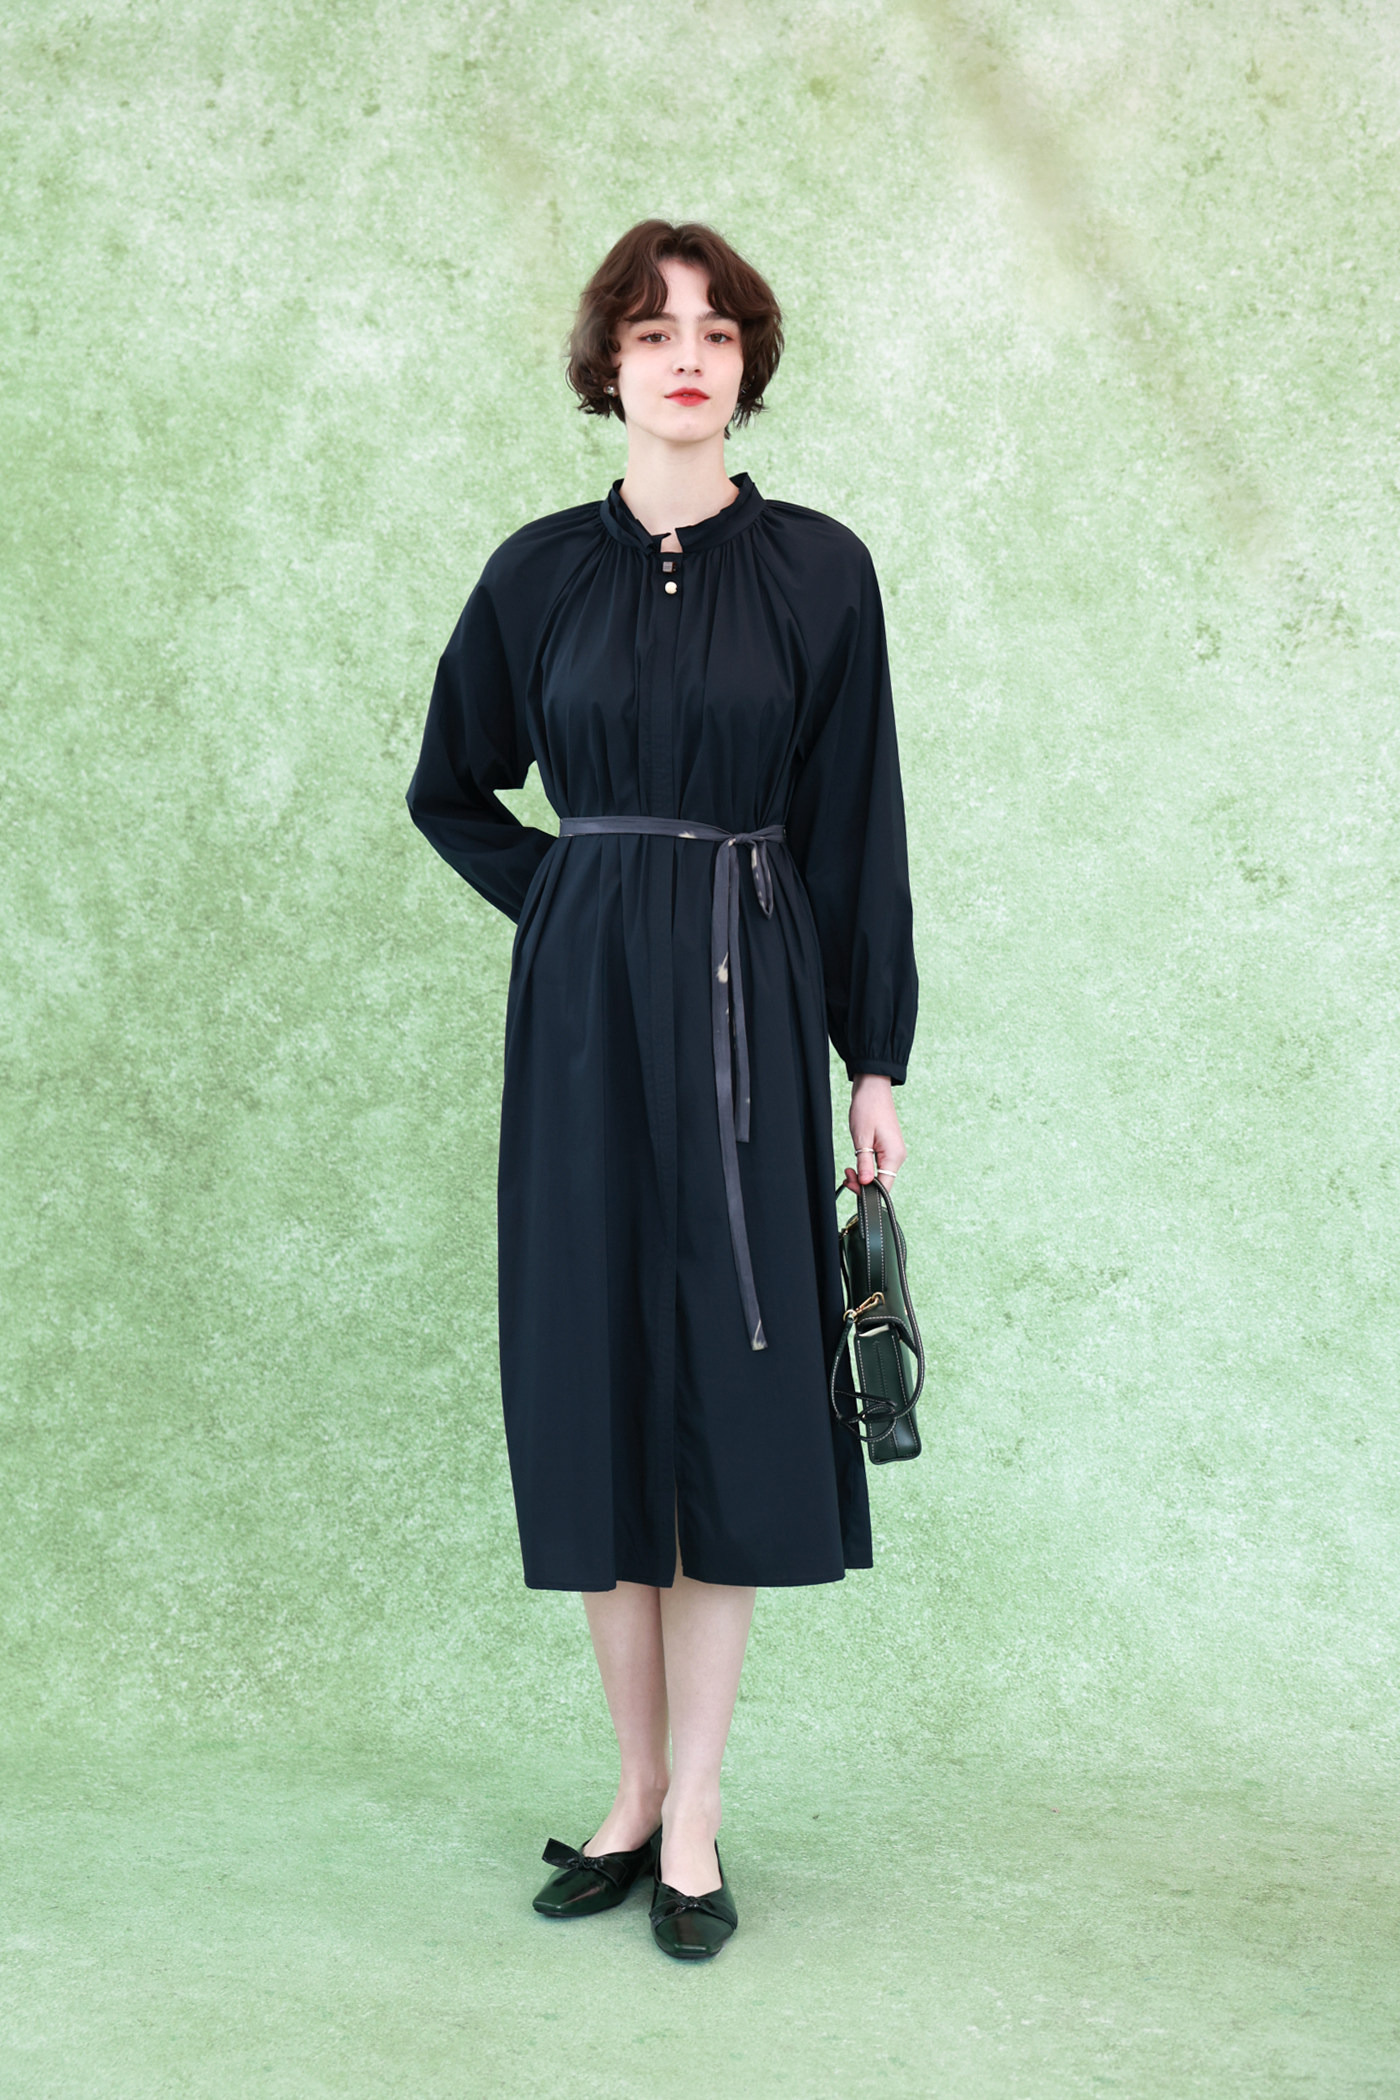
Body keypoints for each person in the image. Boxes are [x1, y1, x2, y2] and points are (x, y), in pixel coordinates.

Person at [405, 219, 918, 1961]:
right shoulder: (538, 572)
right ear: (607, 367)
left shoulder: (822, 571)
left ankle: (697, 1816)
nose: (684, 354)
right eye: (649, 330)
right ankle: (629, 1793)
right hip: (580, 1018)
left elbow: (857, 827)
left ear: (747, 363)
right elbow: (452, 786)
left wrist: (873, 1056)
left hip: (753, 1006)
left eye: (713, 329)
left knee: (737, 1388)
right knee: (599, 1382)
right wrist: (565, 893)